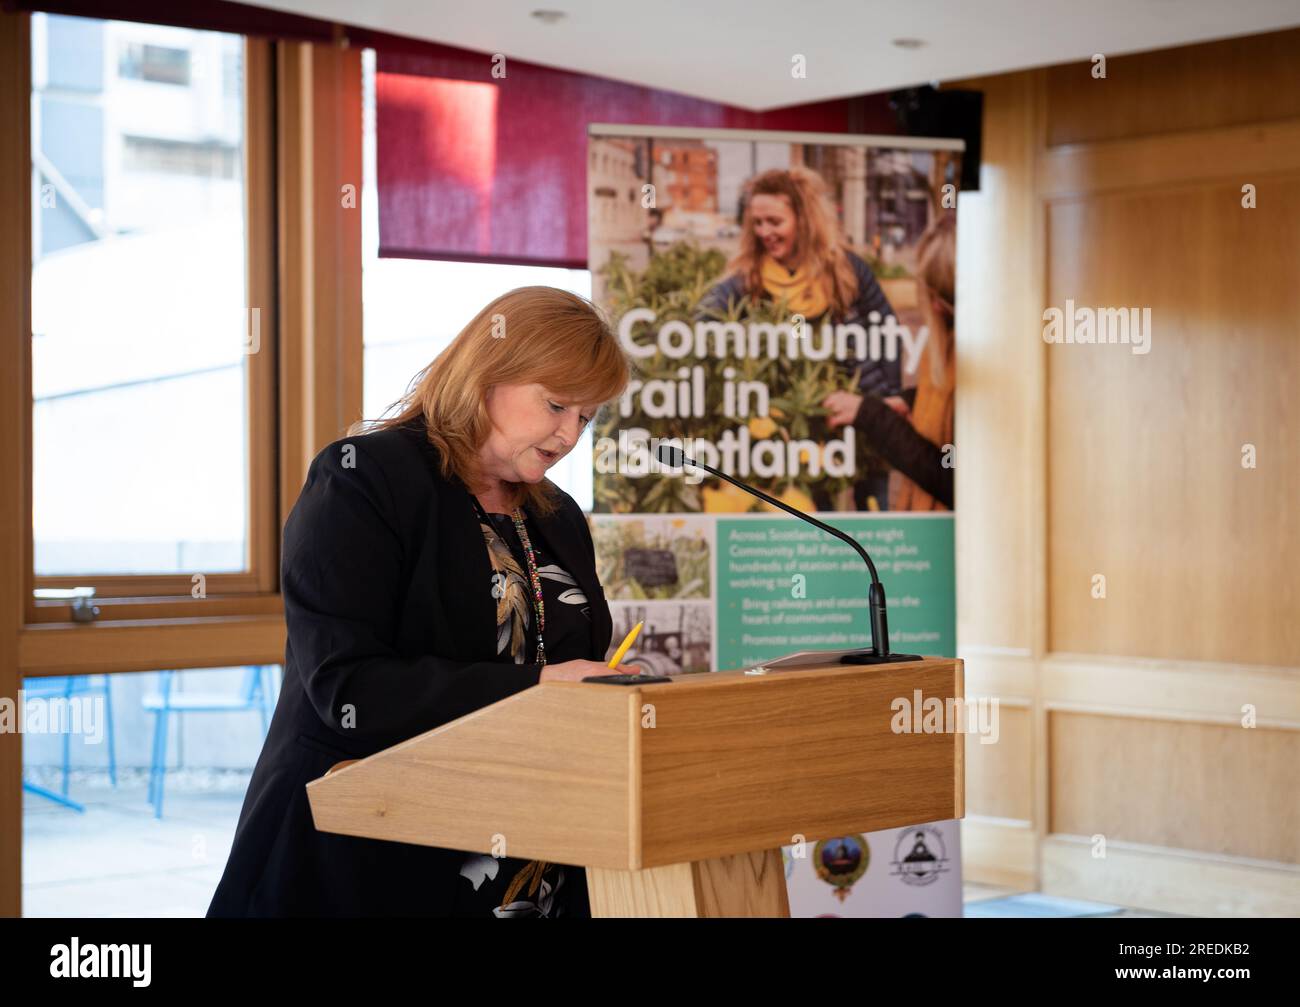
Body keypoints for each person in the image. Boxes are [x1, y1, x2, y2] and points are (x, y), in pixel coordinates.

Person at [207, 287, 642, 917]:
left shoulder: (559, 516)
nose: (570, 433)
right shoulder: (362, 479)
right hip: (368, 862)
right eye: (556, 405)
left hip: (533, 860)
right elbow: (349, 689)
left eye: (588, 417)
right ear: (489, 374)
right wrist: (541, 686)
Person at [696, 166, 902, 507]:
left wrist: (887, 398)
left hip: (860, 415)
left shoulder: (846, 269)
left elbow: (887, 332)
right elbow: (703, 320)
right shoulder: (749, 279)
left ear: (803, 219)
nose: (765, 232)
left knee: (873, 508)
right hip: (802, 428)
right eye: (757, 223)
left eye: (775, 222)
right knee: (815, 514)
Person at [822, 213, 956, 510]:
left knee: (873, 496)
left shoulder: (852, 269)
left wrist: (875, 410)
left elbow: (951, 479)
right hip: (859, 409)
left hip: (865, 407)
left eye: (944, 296)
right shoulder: (951, 343)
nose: (934, 306)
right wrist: (909, 401)